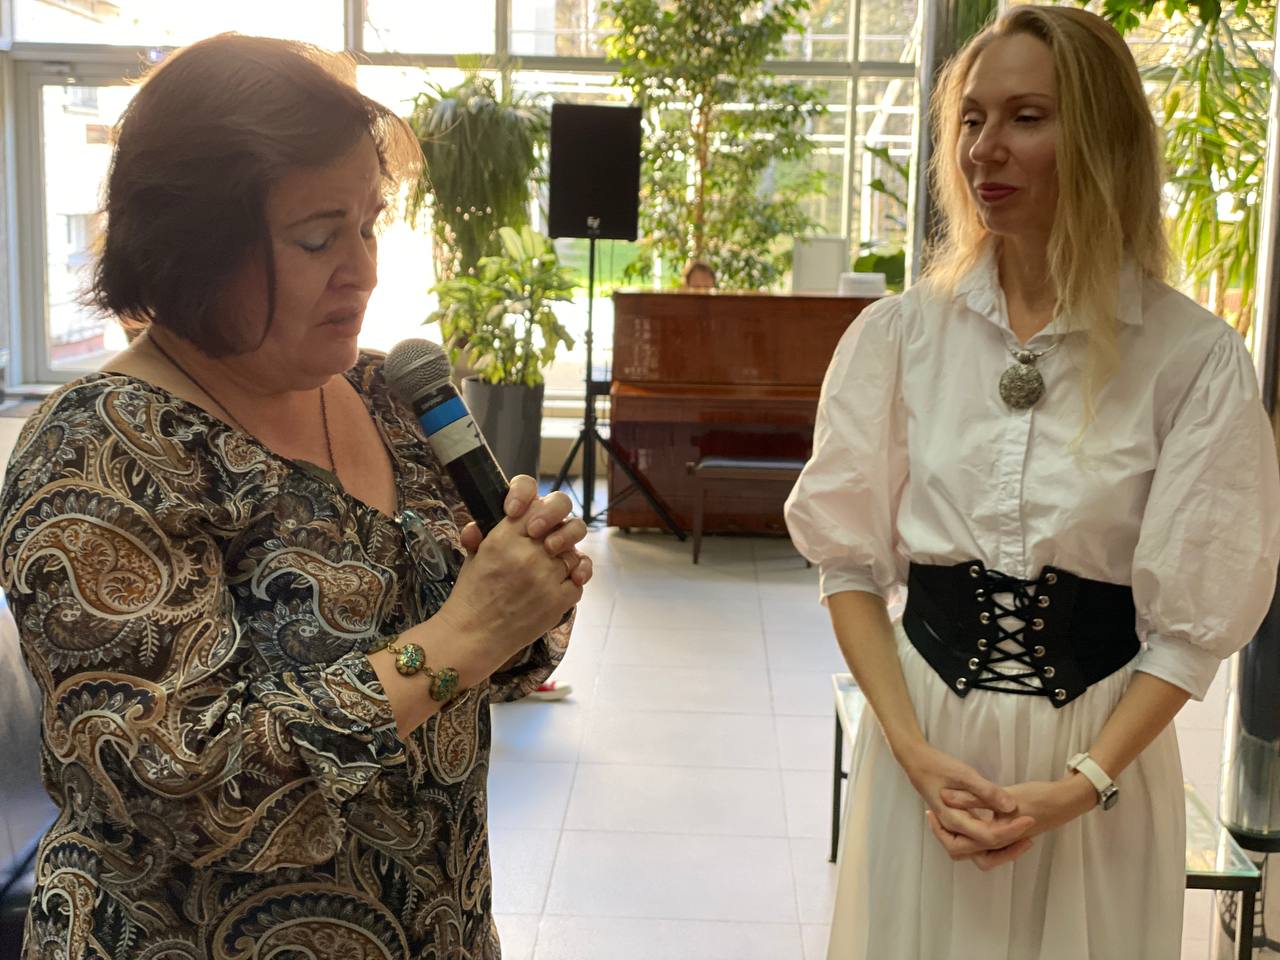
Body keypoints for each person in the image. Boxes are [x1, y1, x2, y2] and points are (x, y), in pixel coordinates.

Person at [0, 34, 591, 960]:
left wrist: (523, 593)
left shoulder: (388, 397)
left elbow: (496, 662)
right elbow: (185, 790)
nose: (363, 269)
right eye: (318, 237)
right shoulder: (99, 450)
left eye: (370, 225)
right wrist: (465, 633)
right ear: (194, 247)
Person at [784, 7, 1280, 959]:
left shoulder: (1192, 361)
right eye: (971, 119)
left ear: (1101, 140)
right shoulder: (899, 337)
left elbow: (1190, 632)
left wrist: (1079, 785)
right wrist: (910, 752)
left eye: (1026, 117)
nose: (985, 149)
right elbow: (846, 565)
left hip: (1095, 770)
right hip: (926, 747)